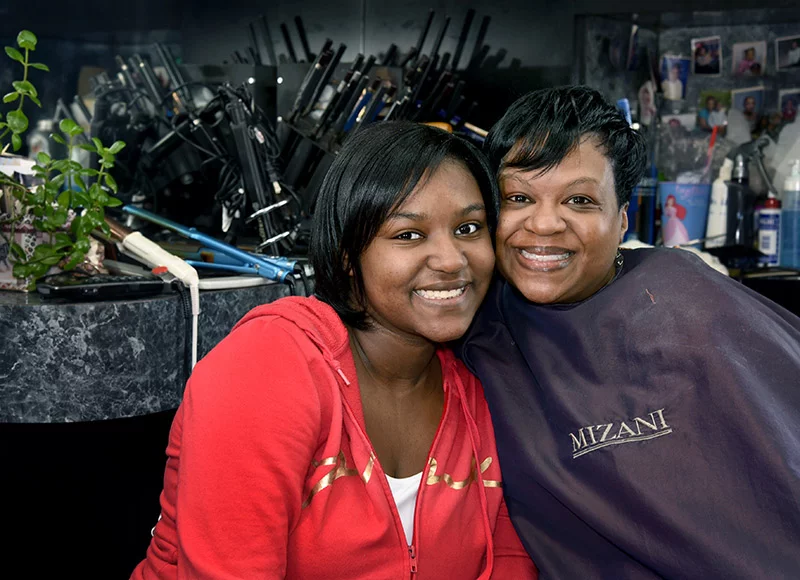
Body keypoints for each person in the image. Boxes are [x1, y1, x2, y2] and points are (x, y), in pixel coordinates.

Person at [131, 122, 537, 579]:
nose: (451, 259)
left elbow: (509, 558)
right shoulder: (269, 367)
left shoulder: (480, 381)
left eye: (468, 228)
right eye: (408, 235)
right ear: (347, 254)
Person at [458, 85, 800, 578]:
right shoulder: (473, 331)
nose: (545, 223)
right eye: (519, 197)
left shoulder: (688, 302)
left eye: (579, 200)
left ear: (621, 221)